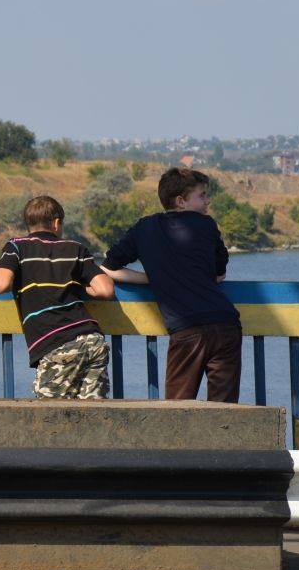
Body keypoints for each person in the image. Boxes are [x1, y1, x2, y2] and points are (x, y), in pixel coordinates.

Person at [100, 167, 242, 403]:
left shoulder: (144, 228)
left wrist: (152, 278)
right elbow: (219, 274)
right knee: (224, 410)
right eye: (202, 195)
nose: (208, 201)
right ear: (180, 201)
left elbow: (108, 267)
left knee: (177, 409)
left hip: (187, 330)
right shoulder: (207, 225)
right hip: (226, 324)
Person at [0, 195, 116, 399]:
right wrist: (81, 288)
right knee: (92, 413)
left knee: (49, 414)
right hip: (92, 340)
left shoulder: (17, 247)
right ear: (57, 223)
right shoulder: (76, 248)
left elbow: (1, 284)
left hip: (57, 343)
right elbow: (105, 290)